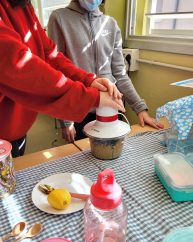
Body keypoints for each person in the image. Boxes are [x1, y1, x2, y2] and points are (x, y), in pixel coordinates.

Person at [0, 0, 125, 157]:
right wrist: (91, 97)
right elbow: (18, 65)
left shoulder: (22, 6)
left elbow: (49, 54)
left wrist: (88, 80)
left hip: (15, 131)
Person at [48, 0, 164, 142]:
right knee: (86, 161)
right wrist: (65, 121)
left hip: (112, 108)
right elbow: (57, 72)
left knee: (114, 155)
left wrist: (140, 109)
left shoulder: (110, 24)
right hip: (79, 112)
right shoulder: (59, 18)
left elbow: (120, 75)